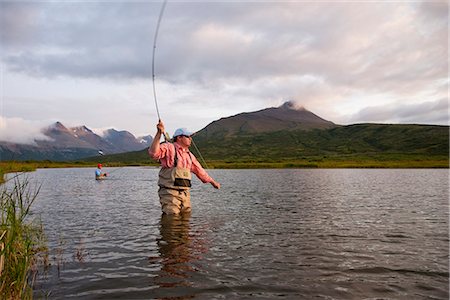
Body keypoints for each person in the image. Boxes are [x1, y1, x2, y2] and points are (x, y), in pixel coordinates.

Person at [148, 120, 220, 214]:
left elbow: (200, 171)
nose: (190, 139)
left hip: (185, 194)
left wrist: (213, 182)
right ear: (179, 137)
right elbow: (154, 153)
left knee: (186, 219)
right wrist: (158, 134)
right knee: (172, 219)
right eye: (188, 136)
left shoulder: (189, 155)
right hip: (169, 193)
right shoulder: (169, 147)